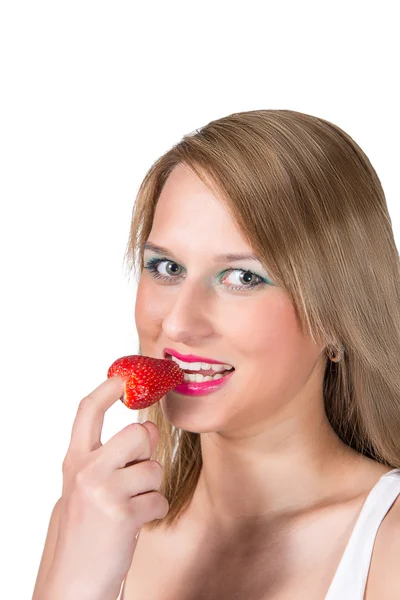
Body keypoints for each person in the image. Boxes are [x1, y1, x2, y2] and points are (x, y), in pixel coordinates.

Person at [33, 109, 400, 600]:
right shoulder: (93, 520)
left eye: (243, 278)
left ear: (337, 314)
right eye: (165, 266)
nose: (179, 322)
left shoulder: (387, 542)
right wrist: (75, 582)